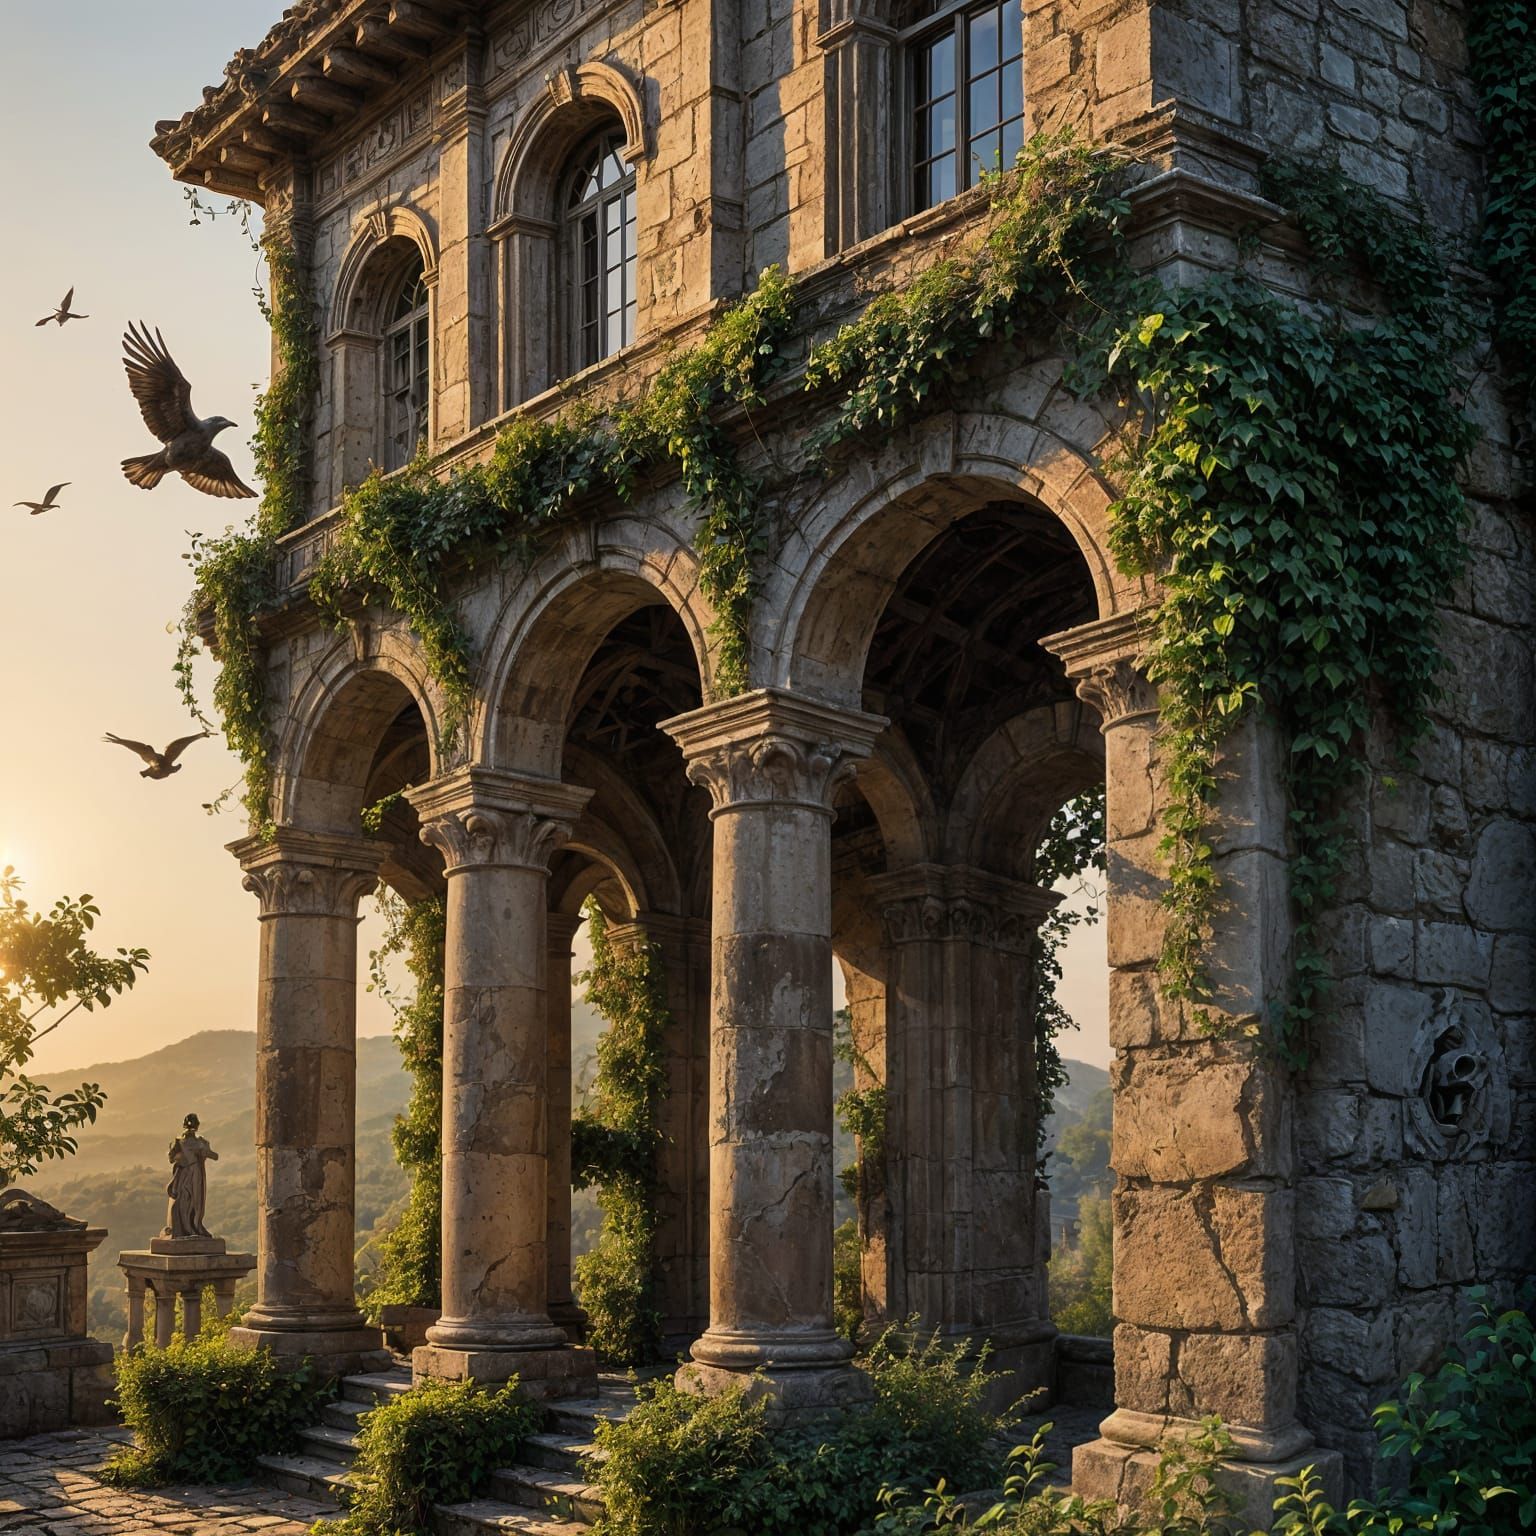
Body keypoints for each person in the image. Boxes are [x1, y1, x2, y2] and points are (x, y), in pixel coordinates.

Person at [162, 1113, 218, 1239]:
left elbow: (214, 1156)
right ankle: (187, 1228)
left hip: (194, 1174)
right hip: (187, 1174)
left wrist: (203, 1152)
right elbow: (171, 1158)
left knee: (195, 1201)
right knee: (186, 1200)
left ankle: (193, 1226)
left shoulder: (199, 1142)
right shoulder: (182, 1142)